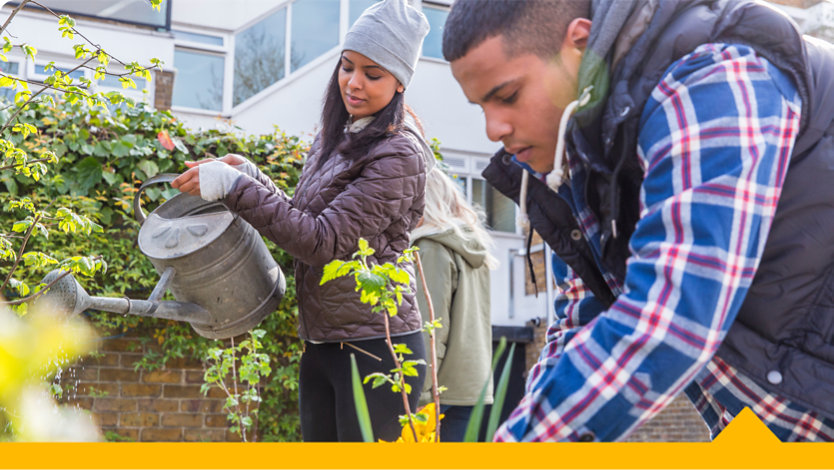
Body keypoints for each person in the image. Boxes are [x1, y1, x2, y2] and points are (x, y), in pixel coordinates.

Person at [441, 0, 834, 442]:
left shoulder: (716, 79)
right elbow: (579, 327)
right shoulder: (580, 158)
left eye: (508, 96)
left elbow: (674, 315)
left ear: (581, 46)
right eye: (480, 106)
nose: (493, 129)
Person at [172, 0, 432, 442]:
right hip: (323, 341)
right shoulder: (337, 136)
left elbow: (321, 241)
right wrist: (252, 177)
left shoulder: (399, 153)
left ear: (400, 83)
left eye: (374, 74)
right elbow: (305, 217)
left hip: (378, 347)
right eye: (347, 66)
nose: (353, 83)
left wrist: (235, 188)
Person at [412, 167, 497, 442]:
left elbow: (432, 327)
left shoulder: (431, 247)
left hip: (438, 391)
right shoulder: (474, 249)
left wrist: (421, 395)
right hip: (471, 385)